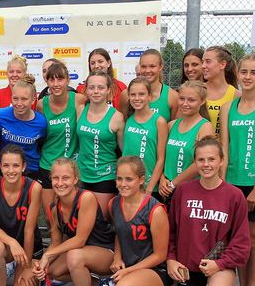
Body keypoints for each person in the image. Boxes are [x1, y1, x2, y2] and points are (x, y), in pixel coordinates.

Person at [167, 137, 251, 286]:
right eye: (201, 160)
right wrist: (171, 259)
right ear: (194, 163)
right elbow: (171, 232)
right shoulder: (183, 191)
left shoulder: (235, 195)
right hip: (188, 268)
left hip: (218, 265)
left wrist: (221, 264)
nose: (206, 164)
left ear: (221, 161)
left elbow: (241, 243)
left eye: (212, 159)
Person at [33, 158, 115, 286]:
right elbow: (55, 242)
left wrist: (47, 254)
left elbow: (80, 240)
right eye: (56, 178)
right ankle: (93, 283)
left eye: (66, 178)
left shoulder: (86, 198)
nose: (60, 183)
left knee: (74, 255)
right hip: (83, 253)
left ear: (76, 179)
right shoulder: (54, 207)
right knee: (51, 270)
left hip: (107, 253)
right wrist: (43, 263)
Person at [106, 156, 170, 286]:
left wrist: (128, 271)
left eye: (129, 179)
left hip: (155, 270)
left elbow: (160, 255)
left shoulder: (155, 210)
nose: (122, 184)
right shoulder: (114, 203)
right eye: (119, 179)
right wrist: (117, 257)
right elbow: (119, 233)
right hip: (130, 269)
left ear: (142, 180)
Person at [220, 53, 255, 286]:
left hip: (253, 184)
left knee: (254, 240)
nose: (247, 77)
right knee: (237, 240)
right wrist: (222, 184)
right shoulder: (228, 107)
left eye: (254, 72)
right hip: (232, 183)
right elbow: (225, 146)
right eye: (244, 72)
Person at [0, 145, 44, 286]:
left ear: (24, 167)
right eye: (6, 165)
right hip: (6, 245)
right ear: (0, 166)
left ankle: (26, 270)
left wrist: (26, 267)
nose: (11, 170)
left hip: (28, 248)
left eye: (16, 166)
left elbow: (29, 231)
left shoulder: (34, 188)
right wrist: (11, 242)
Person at [76, 70, 125, 220]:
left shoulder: (117, 117)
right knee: (79, 221)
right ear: (86, 90)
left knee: (100, 222)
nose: (96, 91)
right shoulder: (80, 110)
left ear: (108, 90)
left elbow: (123, 150)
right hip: (81, 175)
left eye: (100, 87)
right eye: (91, 87)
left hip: (104, 176)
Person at [36, 62, 84, 215]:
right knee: (52, 217)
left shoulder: (78, 100)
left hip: (71, 166)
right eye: (52, 80)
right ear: (47, 81)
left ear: (68, 80)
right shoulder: (41, 105)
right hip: (48, 165)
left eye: (60, 79)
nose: (56, 84)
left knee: (71, 217)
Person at [159, 81, 214, 202]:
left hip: (191, 191)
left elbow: (200, 162)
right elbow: (162, 157)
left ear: (202, 101)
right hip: (167, 189)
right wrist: (162, 179)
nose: (185, 104)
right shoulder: (171, 125)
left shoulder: (205, 127)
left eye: (191, 100)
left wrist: (174, 183)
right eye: (182, 99)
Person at [0, 75, 47, 179]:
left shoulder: (41, 122)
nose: (19, 103)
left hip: (31, 171)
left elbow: (41, 144)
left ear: (33, 100)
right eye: (15, 98)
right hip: (6, 169)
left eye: (24, 99)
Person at [122, 77, 168, 198]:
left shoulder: (159, 122)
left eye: (141, 94)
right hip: (127, 184)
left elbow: (161, 159)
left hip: (149, 188)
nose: (137, 98)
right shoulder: (127, 119)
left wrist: (149, 189)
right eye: (133, 94)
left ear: (150, 96)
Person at [120, 49, 178, 121]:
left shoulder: (172, 96)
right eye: (143, 66)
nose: (147, 71)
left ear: (160, 67)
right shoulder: (126, 95)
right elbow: (123, 126)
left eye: (152, 66)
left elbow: (175, 129)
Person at [202, 46, 239, 135]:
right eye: (202, 62)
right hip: (199, 146)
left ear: (222, 64)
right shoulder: (197, 90)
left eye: (208, 61)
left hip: (224, 147)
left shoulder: (236, 95)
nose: (203, 66)